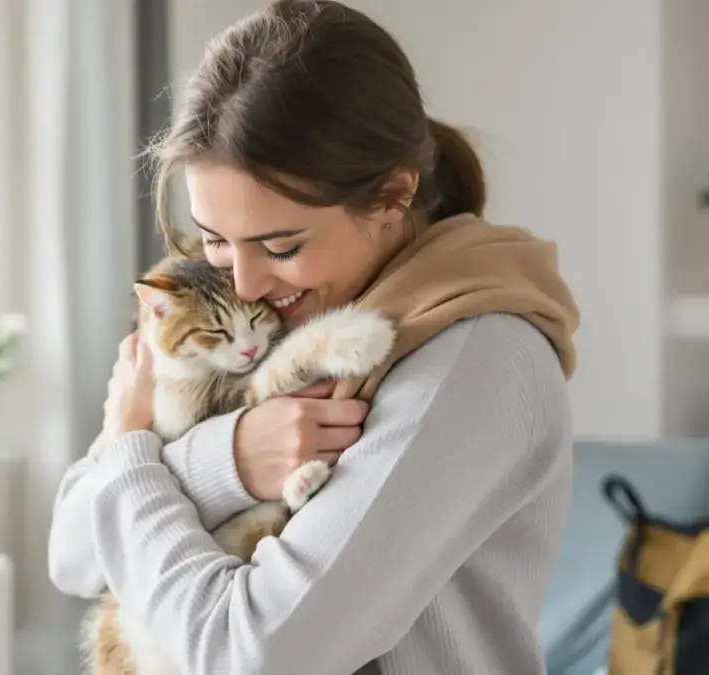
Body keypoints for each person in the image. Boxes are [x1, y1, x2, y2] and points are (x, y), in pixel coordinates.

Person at [47, 1, 581, 673]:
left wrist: (134, 452)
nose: (242, 285)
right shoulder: (254, 323)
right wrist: (224, 459)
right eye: (215, 240)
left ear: (392, 194)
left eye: (280, 245)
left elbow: (254, 653)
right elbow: (71, 554)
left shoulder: (473, 357)